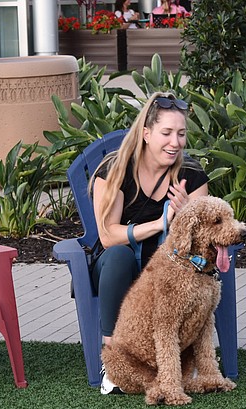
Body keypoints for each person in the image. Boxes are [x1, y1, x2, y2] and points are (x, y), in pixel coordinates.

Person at [90, 92, 207, 393]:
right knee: (119, 256)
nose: (175, 142)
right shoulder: (115, 170)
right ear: (146, 133)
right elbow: (107, 235)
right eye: (166, 133)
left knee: (186, 272)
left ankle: (187, 359)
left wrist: (184, 216)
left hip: (168, 266)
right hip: (116, 267)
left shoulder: (190, 176)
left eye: (181, 134)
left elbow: (204, 239)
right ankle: (112, 358)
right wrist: (158, 224)